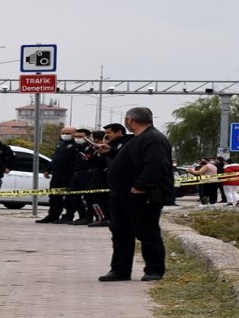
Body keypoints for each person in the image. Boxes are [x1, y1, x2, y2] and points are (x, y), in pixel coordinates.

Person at [100, 106, 173, 282]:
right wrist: (111, 153)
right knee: (120, 231)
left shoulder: (153, 139)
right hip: (122, 194)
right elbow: (133, 160)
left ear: (130, 120)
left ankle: (154, 270)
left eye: (127, 120)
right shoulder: (137, 139)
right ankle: (120, 270)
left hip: (142, 195)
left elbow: (155, 165)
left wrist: (140, 187)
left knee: (146, 232)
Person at [37, 126, 84, 223]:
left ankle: (68, 215)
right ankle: (53, 215)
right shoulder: (60, 143)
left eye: (68, 133)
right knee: (54, 197)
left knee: (69, 198)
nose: (65, 135)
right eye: (63, 133)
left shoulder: (77, 145)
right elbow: (55, 159)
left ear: (74, 134)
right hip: (57, 175)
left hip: (69, 175)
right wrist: (48, 169)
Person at [68, 128, 96, 224]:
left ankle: (89, 217)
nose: (77, 138)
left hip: (87, 173)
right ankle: (82, 215)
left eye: (80, 137)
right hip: (77, 173)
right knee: (73, 195)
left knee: (88, 197)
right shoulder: (76, 147)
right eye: (76, 136)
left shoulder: (92, 147)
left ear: (87, 137)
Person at [84, 130, 111, 226]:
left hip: (103, 179)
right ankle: (100, 217)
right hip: (95, 176)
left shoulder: (107, 151)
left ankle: (104, 218)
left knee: (100, 198)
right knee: (91, 197)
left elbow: (103, 163)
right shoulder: (94, 150)